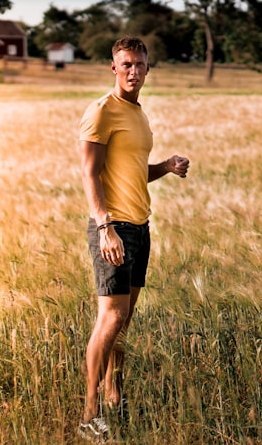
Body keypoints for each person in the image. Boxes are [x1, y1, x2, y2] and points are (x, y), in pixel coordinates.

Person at [76, 36, 189, 441]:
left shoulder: (138, 115)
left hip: (139, 228)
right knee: (110, 318)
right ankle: (90, 414)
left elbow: (133, 172)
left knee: (124, 323)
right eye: (126, 64)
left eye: (140, 65)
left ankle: (113, 396)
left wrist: (167, 166)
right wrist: (105, 225)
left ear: (147, 69)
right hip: (114, 229)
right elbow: (89, 173)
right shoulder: (102, 111)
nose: (133, 71)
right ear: (113, 67)